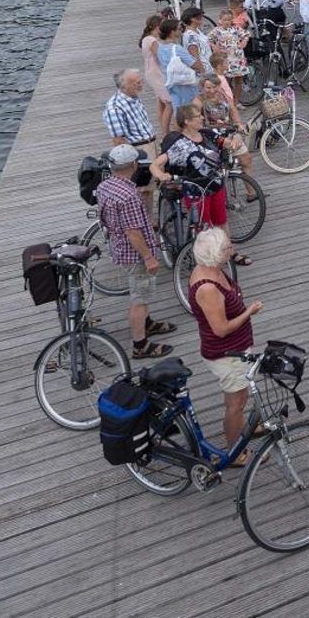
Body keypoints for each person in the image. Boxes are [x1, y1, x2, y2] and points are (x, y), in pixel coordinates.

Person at [189, 227, 263, 461]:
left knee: (240, 395)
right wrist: (249, 312)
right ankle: (236, 452)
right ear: (214, 254)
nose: (232, 249)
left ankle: (242, 428)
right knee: (235, 404)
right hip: (226, 353)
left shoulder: (213, 270)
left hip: (236, 348)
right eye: (227, 247)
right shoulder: (208, 288)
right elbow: (220, 329)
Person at [96, 144, 174, 360]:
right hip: (136, 253)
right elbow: (133, 232)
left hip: (119, 247)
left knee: (142, 293)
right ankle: (140, 344)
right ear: (134, 164)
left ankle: (148, 324)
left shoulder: (105, 186)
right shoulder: (129, 195)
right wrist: (148, 257)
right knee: (139, 297)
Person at [151, 102, 230, 231]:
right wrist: (161, 175)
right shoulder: (179, 144)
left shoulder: (207, 134)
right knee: (204, 229)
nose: (202, 118)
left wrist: (235, 139)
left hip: (216, 185)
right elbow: (154, 165)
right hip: (196, 192)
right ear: (187, 121)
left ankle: (230, 251)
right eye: (198, 116)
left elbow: (227, 143)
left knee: (222, 222)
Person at [104, 68, 158, 156]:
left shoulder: (133, 96)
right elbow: (119, 140)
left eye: (141, 81)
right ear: (124, 87)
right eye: (136, 83)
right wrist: (135, 157)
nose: (140, 85)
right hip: (138, 149)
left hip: (150, 145)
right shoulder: (115, 108)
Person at [140, 13, 174, 138]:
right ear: (156, 26)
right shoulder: (152, 40)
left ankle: (163, 128)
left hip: (150, 71)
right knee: (169, 103)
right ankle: (165, 132)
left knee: (161, 101)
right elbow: (160, 57)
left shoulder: (145, 39)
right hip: (157, 72)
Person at [207, 4, 250, 86]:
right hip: (225, 59)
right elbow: (208, 39)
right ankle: (228, 96)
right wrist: (214, 46)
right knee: (226, 80)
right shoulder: (217, 31)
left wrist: (244, 42)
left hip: (237, 58)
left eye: (229, 20)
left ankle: (236, 98)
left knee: (238, 80)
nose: (227, 22)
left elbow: (246, 34)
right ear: (220, 20)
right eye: (225, 20)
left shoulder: (236, 29)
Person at [181, 7, 213, 76]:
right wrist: (202, 71)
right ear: (192, 19)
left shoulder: (197, 31)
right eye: (199, 16)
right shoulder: (190, 35)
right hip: (203, 70)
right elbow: (194, 55)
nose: (202, 17)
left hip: (209, 66)